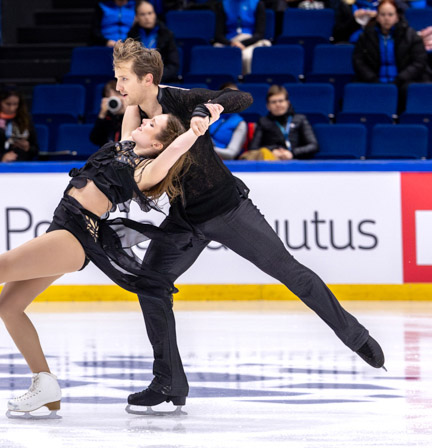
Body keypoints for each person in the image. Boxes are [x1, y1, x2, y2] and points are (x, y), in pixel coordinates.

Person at [0, 95, 225, 418]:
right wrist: (130, 81)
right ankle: (45, 385)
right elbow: (131, 102)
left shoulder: (148, 169)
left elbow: (177, 149)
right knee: (9, 305)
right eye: (147, 119)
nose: (145, 121)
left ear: (160, 142)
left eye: (153, 125)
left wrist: (196, 128)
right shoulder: (126, 145)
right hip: (62, 224)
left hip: (80, 234)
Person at [112, 38, 386, 413]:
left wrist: (210, 107)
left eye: (124, 78)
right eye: (116, 77)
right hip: (184, 219)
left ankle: (357, 336)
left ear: (147, 79)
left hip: (228, 209)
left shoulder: (178, 99)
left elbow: (240, 98)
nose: (118, 86)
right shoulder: (135, 117)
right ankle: (169, 380)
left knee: (291, 272)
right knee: (150, 284)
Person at [353, 0, 432, 111]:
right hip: (374, 81)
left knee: (413, 90)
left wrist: (400, 79)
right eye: (383, 14)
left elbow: (419, 62)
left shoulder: (411, 36)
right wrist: (372, 79)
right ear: (377, 17)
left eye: (390, 14)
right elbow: (358, 61)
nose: (386, 18)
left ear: (397, 16)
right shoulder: (365, 36)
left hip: (403, 83)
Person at [249, 85, 318, 160]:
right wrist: (272, 150)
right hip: (271, 163)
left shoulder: (300, 119)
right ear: (268, 106)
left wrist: (292, 153)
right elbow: (253, 149)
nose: (278, 105)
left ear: (288, 103)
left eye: (281, 101)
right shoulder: (262, 122)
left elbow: (313, 146)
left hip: (297, 162)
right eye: (273, 102)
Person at [127, 0, 180, 83]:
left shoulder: (167, 35)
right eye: (142, 14)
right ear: (136, 17)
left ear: (155, 14)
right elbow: (127, 63)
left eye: (150, 13)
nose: (147, 17)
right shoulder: (131, 37)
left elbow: (173, 65)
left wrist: (156, 77)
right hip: (138, 81)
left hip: (162, 80)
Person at [214, 0, 272, 74]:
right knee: (217, 52)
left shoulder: (257, 3)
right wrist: (231, 43)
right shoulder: (223, 4)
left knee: (246, 57)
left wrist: (243, 44)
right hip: (230, 41)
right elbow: (218, 35)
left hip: (250, 41)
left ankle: (246, 82)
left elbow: (260, 33)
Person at [210, 82, 248, 160]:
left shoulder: (240, 123)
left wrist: (207, 150)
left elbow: (231, 153)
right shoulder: (207, 116)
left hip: (224, 163)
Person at [90, 80, 126, 147]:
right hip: (108, 155)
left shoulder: (132, 116)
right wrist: (102, 114)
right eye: (112, 98)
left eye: (119, 95)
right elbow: (95, 139)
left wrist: (126, 113)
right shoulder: (107, 118)